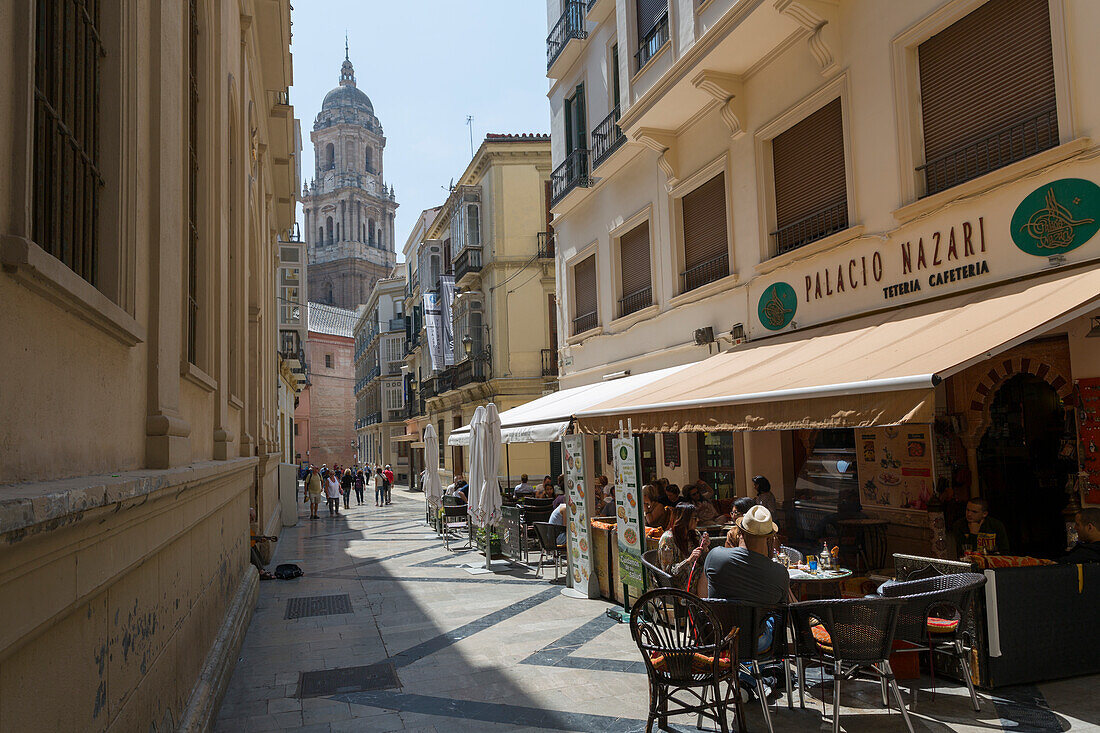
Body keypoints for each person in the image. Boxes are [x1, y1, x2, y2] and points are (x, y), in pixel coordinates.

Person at [705, 505, 790, 701]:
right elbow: (781, 614)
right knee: (769, 620)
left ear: (740, 531)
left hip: (717, 637)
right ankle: (751, 678)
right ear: (769, 537)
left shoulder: (715, 556)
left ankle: (743, 678)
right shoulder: (778, 573)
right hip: (755, 643)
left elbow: (703, 597)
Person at [658, 503, 710, 596]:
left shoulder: (695, 534)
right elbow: (667, 571)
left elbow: (703, 562)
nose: (697, 520)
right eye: (694, 518)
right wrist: (689, 560)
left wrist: (705, 549)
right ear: (684, 519)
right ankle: (704, 605)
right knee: (706, 575)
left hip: (696, 575)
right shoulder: (668, 539)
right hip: (678, 583)